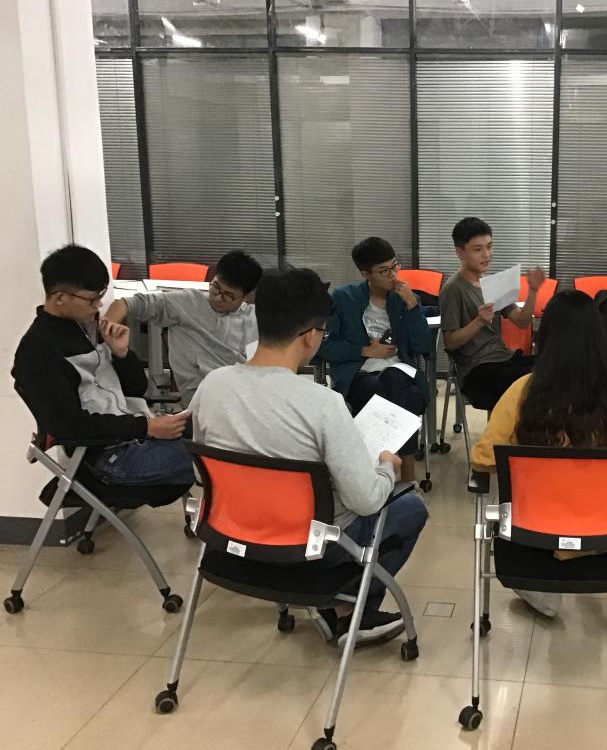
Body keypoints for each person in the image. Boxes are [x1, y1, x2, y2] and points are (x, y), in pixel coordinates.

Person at [190, 267, 428, 647]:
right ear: (310, 336)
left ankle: (338, 608)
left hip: (230, 538)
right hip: (310, 547)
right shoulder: (322, 404)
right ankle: (354, 612)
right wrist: (387, 466)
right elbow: (366, 501)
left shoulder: (212, 386)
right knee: (411, 509)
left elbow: (201, 473)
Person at [472, 290, 607, 618]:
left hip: (533, 534)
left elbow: (484, 459)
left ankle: (541, 592)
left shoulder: (523, 391)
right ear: (600, 337)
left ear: (546, 337)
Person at [12, 246, 193, 486]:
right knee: (221, 457)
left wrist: (121, 354)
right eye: (92, 299)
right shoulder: (38, 351)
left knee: (218, 429)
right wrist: (146, 427)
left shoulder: (89, 329)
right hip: (109, 458)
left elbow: (137, 389)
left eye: (100, 295)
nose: (98, 305)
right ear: (60, 298)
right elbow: (69, 425)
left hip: (136, 435)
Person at [318, 237, 432, 483]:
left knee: (395, 378)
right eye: (384, 271)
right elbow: (323, 345)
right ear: (365, 274)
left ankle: (383, 471)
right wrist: (364, 351)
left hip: (399, 370)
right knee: (410, 396)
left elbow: (423, 346)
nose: (393, 275)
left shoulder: (405, 299)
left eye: (395, 266)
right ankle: (406, 475)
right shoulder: (344, 298)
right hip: (360, 374)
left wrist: (413, 307)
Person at [105, 250, 262, 407]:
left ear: (245, 297)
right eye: (215, 287)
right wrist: (106, 326)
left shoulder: (254, 319)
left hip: (243, 395)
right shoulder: (187, 303)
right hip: (202, 397)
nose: (217, 297)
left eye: (228, 295)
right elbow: (127, 303)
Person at [440, 217, 545, 407]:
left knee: (554, 366)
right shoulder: (453, 289)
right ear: (460, 253)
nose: (486, 255)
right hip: (476, 369)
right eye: (478, 249)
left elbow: (521, 321)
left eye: (489, 247)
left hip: (503, 357)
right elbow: (450, 342)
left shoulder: (492, 284)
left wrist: (533, 291)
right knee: (535, 380)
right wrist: (479, 321)